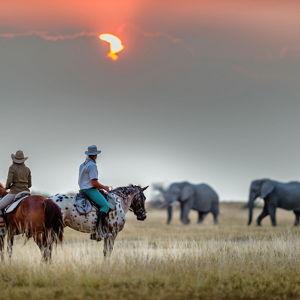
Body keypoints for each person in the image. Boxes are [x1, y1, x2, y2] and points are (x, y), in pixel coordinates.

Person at [78, 145, 113, 240]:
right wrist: (105, 187)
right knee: (105, 206)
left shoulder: (82, 165)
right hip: (90, 190)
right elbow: (94, 183)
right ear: (95, 155)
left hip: (82, 189)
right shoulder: (92, 165)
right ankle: (98, 231)